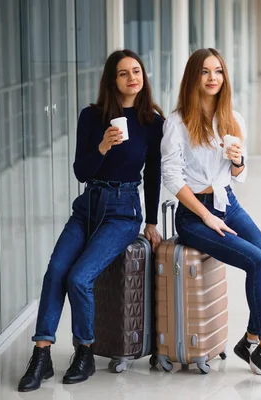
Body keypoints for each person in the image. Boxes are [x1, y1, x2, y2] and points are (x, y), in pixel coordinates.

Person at [17, 49, 164, 392]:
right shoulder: (92, 117)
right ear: (112, 80)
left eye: (137, 71)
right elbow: (81, 173)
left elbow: (154, 175)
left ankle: (84, 350)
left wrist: (152, 221)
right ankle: (42, 354)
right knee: (55, 271)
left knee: (80, 278)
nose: (132, 78)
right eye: (124, 73)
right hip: (88, 204)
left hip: (124, 211)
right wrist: (101, 148)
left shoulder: (152, 123)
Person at [160, 48, 261, 388]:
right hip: (194, 214)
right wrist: (205, 216)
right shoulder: (176, 123)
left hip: (227, 203)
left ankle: (248, 341)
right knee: (257, 263)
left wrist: (237, 161)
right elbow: (172, 179)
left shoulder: (233, 119)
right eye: (205, 72)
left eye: (218, 71)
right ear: (194, 77)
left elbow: (237, 175)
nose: (212, 78)